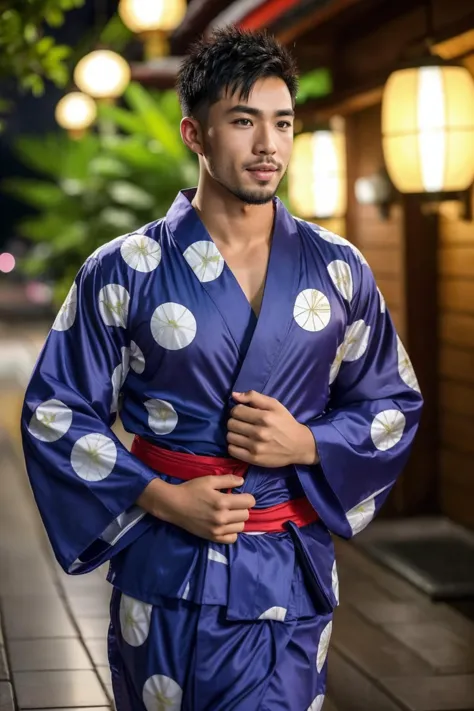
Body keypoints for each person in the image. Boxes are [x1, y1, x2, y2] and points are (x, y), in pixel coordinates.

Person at [21, 26, 423, 711]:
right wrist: (160, 495)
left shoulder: (339, 269)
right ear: (194, 134)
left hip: (290, 571)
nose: (268, 145)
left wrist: (309, 443)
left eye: (283, 122)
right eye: (243, 121)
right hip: (167, 566)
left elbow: (391, 403)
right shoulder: (124, 269)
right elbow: (55, 412)